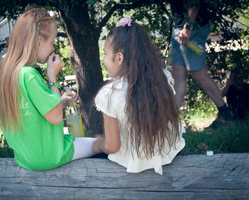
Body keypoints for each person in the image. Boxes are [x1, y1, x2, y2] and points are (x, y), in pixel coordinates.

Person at [0, 8, 96, 171]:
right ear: (39, 40)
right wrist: (52, 77)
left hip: (26, 158)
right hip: (49, 155)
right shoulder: (29, 75)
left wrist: (60, 102)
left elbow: (35, 112)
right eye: (52, 42)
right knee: (102, 144)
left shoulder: (7, 75)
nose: (53, 48)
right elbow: (56, 118)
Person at [92, 18, 185, 175]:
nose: (103, 59)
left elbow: (113, 146)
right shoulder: (162, 78)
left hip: (135, 163)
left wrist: (100, 144)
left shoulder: (109, 94)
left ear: (119, 58)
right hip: (169, 154)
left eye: (105, 54)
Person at [169, 0, 232, 128]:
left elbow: (194, 3)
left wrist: (188, 27)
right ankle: (170, 121)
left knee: (198, 73)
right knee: (178, 74)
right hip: (179, 29)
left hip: (192, 29)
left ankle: (226, 115)